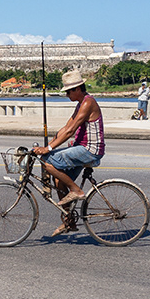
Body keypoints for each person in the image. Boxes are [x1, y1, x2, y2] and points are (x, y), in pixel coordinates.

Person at [32, 71, 105, 236]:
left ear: (78, 89)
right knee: (58, 180)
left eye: (69, 91)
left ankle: (76, 190)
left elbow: (71, 130)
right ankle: (69, 221)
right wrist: (50, 144)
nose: (67, 94)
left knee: (47, 161)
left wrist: (48, 150)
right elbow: (66, 127)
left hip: (90, 150)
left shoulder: (88, 103)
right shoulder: (80, 104)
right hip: (82, 148)